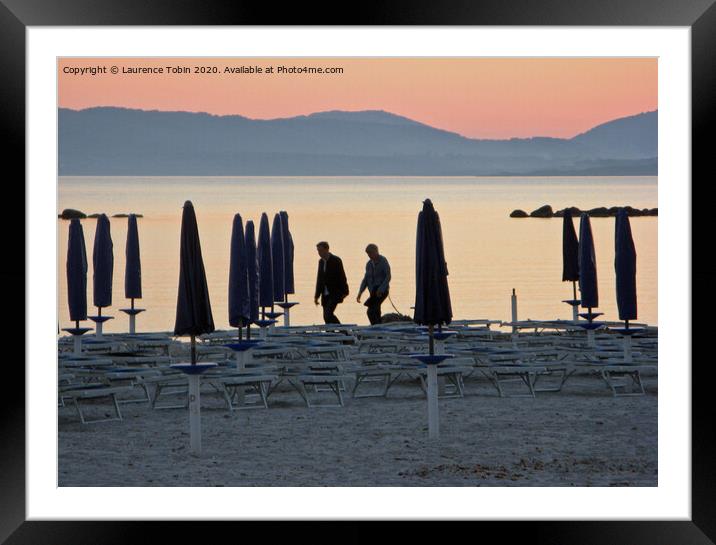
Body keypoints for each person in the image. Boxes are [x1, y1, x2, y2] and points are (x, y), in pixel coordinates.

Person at [314, 241, 349, 324]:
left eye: (321, 250)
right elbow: (319, 279)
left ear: (327, 250)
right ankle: (330, 332)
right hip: (325, 293)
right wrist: (316, 296)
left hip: (335, 292)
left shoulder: (336, 260)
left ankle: (343, 331)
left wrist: (345, 291)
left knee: (328, 314)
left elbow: (342, 277)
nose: (319, 253)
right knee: (326, 317)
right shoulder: (321, 262)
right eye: (318, 251)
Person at [356, 243, 391, 325]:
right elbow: (365, 279)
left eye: (370, 253)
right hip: (373, 291)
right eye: (367, 253)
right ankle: (379, 328)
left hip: (382, 291)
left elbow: (388, 276)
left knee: (371, 311)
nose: (369, 255)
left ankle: (376, 327)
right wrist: (360, 292)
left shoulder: (383, 261)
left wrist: (381, 289)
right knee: (376, 310)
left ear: (376, 251)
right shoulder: (368, 264)